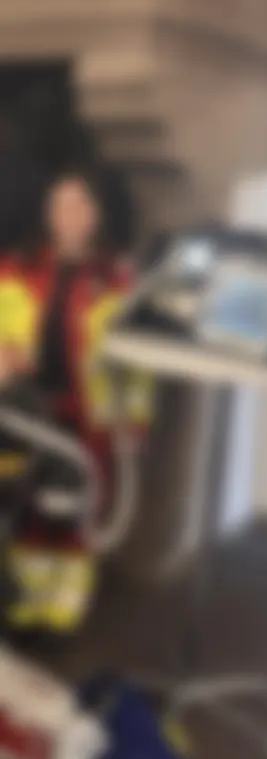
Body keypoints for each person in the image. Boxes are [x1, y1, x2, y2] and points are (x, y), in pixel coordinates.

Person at [0, 164, 149, 639]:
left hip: (90, 415)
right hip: (24, 411)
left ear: (96, 214)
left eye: (80, 203)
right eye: (61, 203)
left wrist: (135, 422)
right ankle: (30, 602)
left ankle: (63, 607)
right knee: (28, 511)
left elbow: (135, 355)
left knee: (72, 511)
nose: (70, 214)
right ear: (48, 212)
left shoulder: (114, 278)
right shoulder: (18, 270)